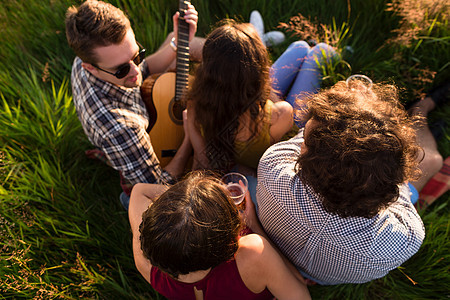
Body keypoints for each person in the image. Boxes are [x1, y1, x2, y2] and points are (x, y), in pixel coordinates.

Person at [256, 78, 427, 285]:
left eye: (306, 142)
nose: (301, 145)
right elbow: (400, 195)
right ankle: (424, 109)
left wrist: (353, 109)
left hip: (282, 249)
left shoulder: (273, 167)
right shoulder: (401, 240)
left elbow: (313, 142)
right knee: (432, 160)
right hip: (328, 276)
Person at [65, 0, 204, 207]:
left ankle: (244, 50)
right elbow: (158, 187)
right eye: (122, 69)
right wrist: (189, 138)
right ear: (90, 67)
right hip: (139, 155)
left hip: (140, 113)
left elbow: (143, 69)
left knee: (180, 42)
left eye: (137, 56)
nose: (136, 72)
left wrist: (178, 41)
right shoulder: (119, 128)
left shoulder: (95, 58)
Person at [129, 171, 311, 299]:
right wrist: (255, 227)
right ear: (225, 239)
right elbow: (301, 294)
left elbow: (139, 190)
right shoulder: (253, 252)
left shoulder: (149, 266)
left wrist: (189, 197)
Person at [186, 20, 294, 172]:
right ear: (256, 77)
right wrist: (264, 82)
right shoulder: (280, 114)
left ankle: (260, 40)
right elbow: (279, 106)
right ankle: (323, 51)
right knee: (303, 51)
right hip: (274, 112)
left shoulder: (194, 106)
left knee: (300, 49)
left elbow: (201, 160)